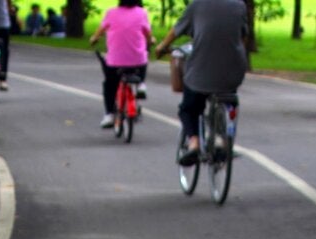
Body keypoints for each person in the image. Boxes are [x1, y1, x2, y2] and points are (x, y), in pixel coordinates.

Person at [155, 0, 247, 163]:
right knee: (227, 99)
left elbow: (176, 31)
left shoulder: (196, 6)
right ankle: (221, 140)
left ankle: (194, 144)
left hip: (201, 72)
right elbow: (242, 35)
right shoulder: (239, 6)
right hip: (233, 71)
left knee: (189, 108)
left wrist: (162, 47)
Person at [90, 0, 154, 129]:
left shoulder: (111, 13)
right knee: (144, 55)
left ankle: (109, 114)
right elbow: (148, 35)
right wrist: (151, 40)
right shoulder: (142, 13)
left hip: (115, 61)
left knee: (109, 84)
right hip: (137, 60)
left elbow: (99, 31)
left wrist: (94, 39)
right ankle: (141, 83)